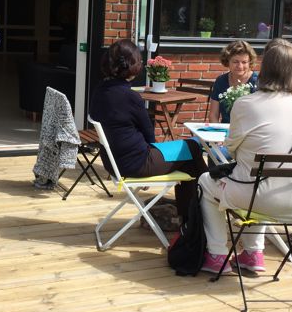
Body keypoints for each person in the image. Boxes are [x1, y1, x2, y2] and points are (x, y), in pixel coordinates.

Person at [197, 43, 292, 274]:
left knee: (207, 181)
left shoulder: (246, 103)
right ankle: (253, 253)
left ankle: (217, 254)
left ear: (263, 69)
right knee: (264, 176)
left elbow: (232, 148)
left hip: (261, 196)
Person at [89, 39, 208, 221]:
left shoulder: (99, 90)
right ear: (132, 66)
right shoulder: (130, 97)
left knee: (189, 153)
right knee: (192, 148)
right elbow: (149, 134)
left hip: (113, 162)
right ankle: (201, 212)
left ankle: (191, 218)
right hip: (136, 163)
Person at [209, 40, 258, 123]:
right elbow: (213, 114)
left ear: (250, 62)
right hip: (224, 131)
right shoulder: (221, 81)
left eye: (244, 62)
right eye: (235, 62)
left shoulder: (258, 82)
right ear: (227, 62)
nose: (240, 66)